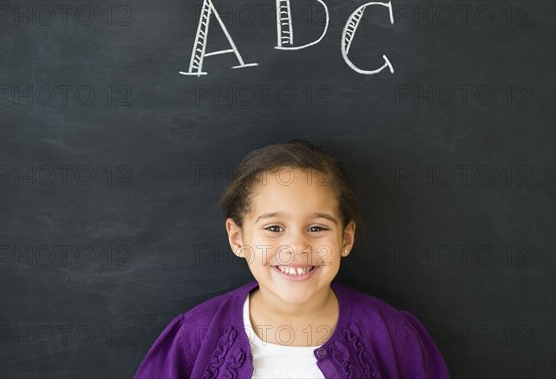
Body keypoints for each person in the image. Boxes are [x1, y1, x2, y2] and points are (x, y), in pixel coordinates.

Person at [134, 139, 450, 378]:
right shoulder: (195, 336)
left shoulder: (391, 333)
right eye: (274, 228)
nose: (296, 247)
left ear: (346, 238)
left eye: (317, 227)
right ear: (238, 238)